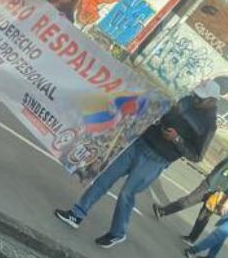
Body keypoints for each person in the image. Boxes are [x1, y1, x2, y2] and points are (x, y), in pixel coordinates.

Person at [53, 93, 218, 248]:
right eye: (196, 95)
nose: (195, 99)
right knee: (104, 178)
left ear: (211, 100)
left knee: (127, 193)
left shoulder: (209, 125)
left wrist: (177, 139)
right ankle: (77, 214)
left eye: (200, 98)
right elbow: (166, 113)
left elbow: (197, 156)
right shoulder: (187, 100)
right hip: (141, 143)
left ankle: (117, 233)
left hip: (157, 159)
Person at [154, 137, 228, 243]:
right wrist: (211, 176)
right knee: (189, 200)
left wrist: (227, 197)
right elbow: (221, 165)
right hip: (210, 183)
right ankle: (163, 211)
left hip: (221, 193)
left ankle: (192, 238)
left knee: (204, 215)